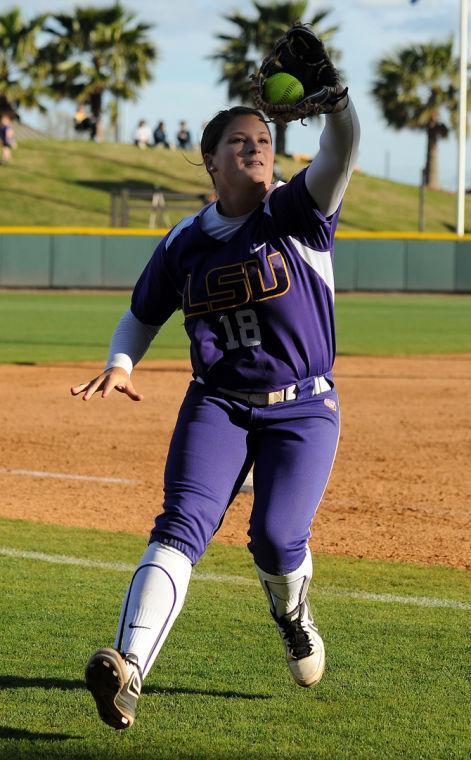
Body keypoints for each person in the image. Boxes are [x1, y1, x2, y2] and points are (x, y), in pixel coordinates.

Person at [71, 74, 360, 730]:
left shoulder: (296, 210)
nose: (255, 148)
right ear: (209, 160)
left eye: (263, 138)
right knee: (180, 525)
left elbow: (341, 151)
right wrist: (120, 363)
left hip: (302, 407)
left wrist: (336, 106)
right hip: (219, 403)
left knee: (276, 536)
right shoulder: (184, 242)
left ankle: (291, 616)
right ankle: (128, 671)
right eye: (238, 141)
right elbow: (140, 315)